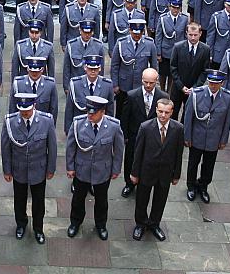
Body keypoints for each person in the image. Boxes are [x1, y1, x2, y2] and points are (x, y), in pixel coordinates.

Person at [1, 92, 57, 244]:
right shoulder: (10, 121)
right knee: (19, 200)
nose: (24, 112)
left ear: (35, 106)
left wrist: (51, 169)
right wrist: (7, 170)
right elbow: (5, 148)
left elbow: (52, 147)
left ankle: (38, 228)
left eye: (27, 109)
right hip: (18, 169)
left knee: (39, 202)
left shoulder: (46, 121)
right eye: (21, 109)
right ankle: (21, 224)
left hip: (38, 169)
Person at [66, 96, 124, 241]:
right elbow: (70, 147)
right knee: (78, 198)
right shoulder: (78, 123)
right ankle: (75, 222)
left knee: (101, 200)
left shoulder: (113, 126)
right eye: (88, 112)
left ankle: (101, 225)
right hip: (82, 169)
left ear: (102, 112)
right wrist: (70, 167)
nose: (89, 115)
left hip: (102, 171)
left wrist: (116, 169)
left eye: (93, 113)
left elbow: (118, 149)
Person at [130, 97, 183, 242]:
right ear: (156, 110)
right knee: (142, 199)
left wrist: (176, 174)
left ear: (172, 112)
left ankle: (154, 224)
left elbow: (179, 154)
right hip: (146, 171)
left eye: (166, 112)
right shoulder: (146, 127)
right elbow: (138, 152)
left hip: (165, 173)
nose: (163, 115)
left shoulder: (178, 129)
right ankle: (140, 224)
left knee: (160, 200)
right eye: (160, 111)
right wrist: (134, 173)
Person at [183, 69, 230, 203]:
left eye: (216, 83)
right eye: (211, 82)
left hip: (214, 139)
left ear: (222, 83)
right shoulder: (196, 94)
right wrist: (187, 137)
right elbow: (188, 118)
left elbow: (227, 121)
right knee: (193, 163)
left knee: (209, 165)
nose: (213, 86)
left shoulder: (228, 97)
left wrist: (223, 140)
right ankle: (191, 186)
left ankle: (203, 187)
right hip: (197, 137)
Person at [120, 68, 168, 198]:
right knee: (130, 160)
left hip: (154, 139)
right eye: (145, 82)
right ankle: (129, 184)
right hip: (134, 137)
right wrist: (125, 136)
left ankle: (145, 183)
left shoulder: (163, 97)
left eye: (151, 83)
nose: (148, 85)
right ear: (141, 80)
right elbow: (125, 118)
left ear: (156, 81)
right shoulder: (131, 95)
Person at [169, 22, 210, 120]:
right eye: (190, 35)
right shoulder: (178, 47)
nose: (193, 38)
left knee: (188, 116)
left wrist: (195, 87)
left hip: (194, 89)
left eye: (195, 35)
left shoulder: (205, 49)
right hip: (178, 88)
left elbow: (205, 71)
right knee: (173, 114)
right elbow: (173, 68)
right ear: (186, 33)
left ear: (200, 34)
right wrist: (181, 86)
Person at [155, 0, 189, 94]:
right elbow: (158, 36)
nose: (175, 10)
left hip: (177, 52)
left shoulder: (184, 19)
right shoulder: (163, 18)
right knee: (163, 73)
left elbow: (185, 37)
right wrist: (158, 52)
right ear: (169, 7)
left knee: (173, 74)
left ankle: (169, 92)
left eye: (178, 8)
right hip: (165, 51)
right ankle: (161, 90)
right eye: (173, 7)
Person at [8, 56, 58, 121]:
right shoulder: (18, 84)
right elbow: (13, 108)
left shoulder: (50, 85)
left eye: (37, 71)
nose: (34, 73)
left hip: (42, 125)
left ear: (42, 70)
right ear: (28, 69)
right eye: (32, 70)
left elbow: (53, 109)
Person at [62, 19, 104, 91]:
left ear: (93, 32)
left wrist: (100, 85)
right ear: (80, 31)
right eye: (85, 32)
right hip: (76, 83)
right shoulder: (71, 45)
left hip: (92, 84)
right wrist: (66, 86)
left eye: (89, 32)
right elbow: (66, 68)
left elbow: (101, 68)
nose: (87, 35)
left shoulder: (98, 46)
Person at [205, 0, 230, 68]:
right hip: (218, 54)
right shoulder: (216, 17)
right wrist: (210, 54)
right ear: (225, 4)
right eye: (229, 5)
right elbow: (211, 37)